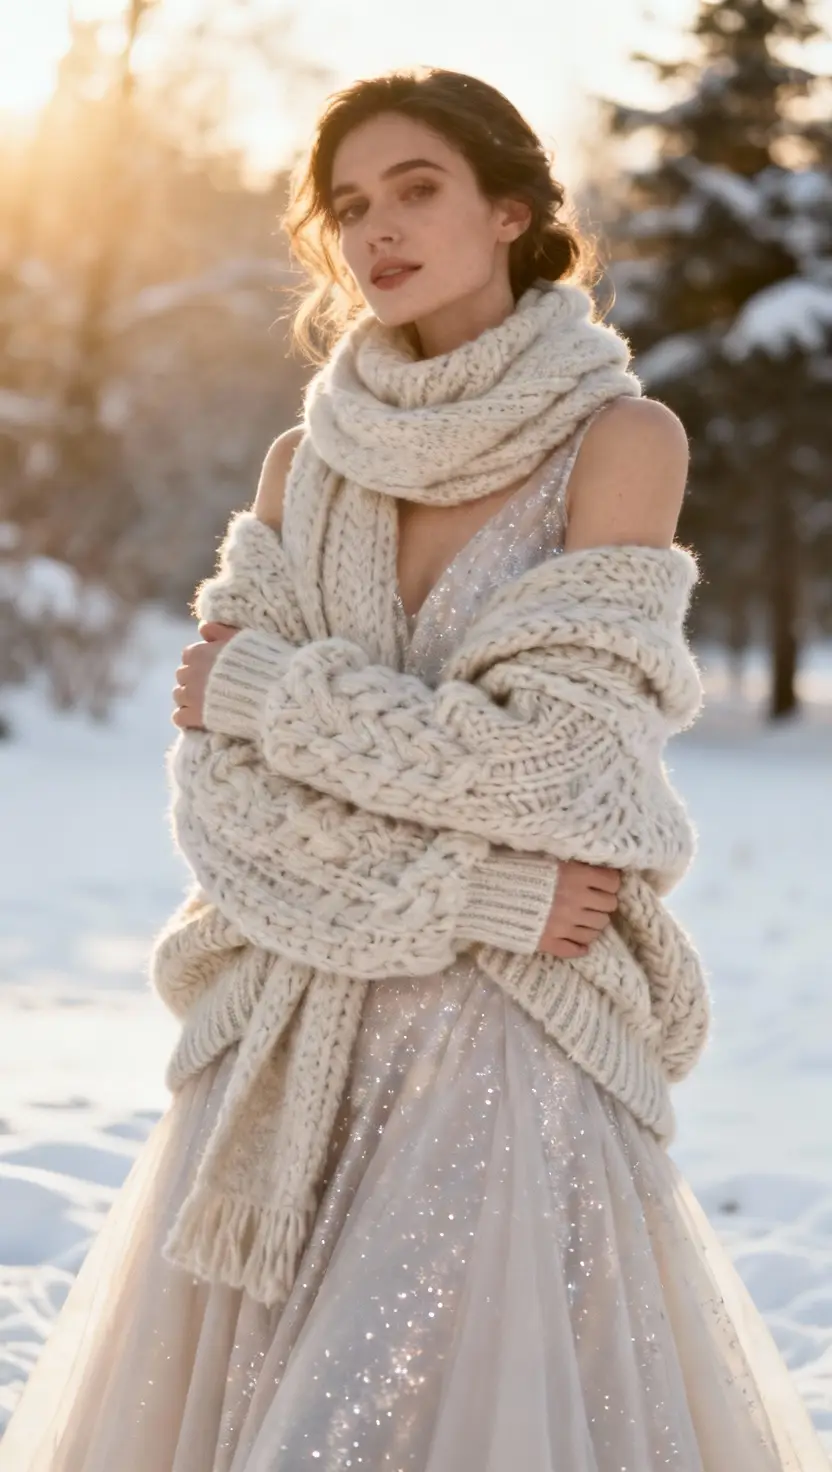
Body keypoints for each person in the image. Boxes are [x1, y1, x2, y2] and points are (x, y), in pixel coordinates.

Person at [1, 66, 828, 1472]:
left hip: (497, 1052)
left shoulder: (621, 447)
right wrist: (492, 893)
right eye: (348, 206)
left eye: (417, 188)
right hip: (286, 1038)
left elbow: (562, 764)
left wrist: (273, 692)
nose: (375, 230)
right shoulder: (298, 472)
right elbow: (226, 807)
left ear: (512, 207)